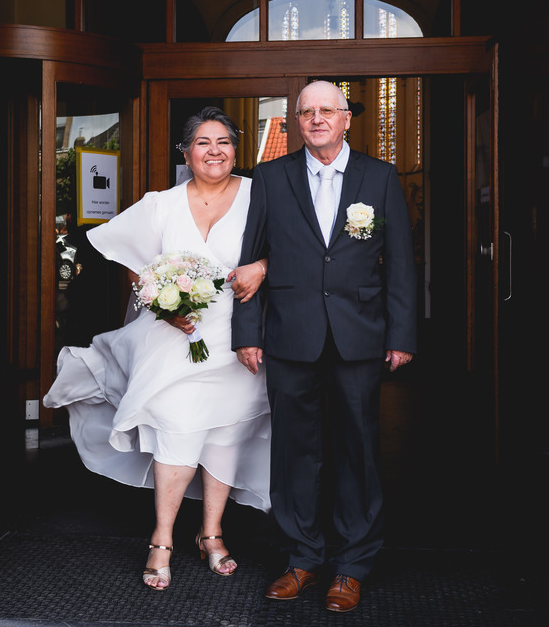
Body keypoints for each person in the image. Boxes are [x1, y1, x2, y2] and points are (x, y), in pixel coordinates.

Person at [43, 107, 270, 591]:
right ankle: (162, 537)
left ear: (236, 150)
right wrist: (161, 303)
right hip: (174, 339)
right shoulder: (160, 204)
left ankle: (212, 532)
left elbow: (291, 248)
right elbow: (133, 264)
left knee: (226, 434)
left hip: (237, 339)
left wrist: (264, 266)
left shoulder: (259, 195)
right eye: (203, 142)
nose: (214, 151)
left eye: (224, 142)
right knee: (176, 432)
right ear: (186, 153)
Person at [231, 80, 417, 613]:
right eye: (307, 112)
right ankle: (302, 558)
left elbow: (400, 261)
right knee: (295, 451)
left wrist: (401, 334)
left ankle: (353, 565)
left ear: (346, 118)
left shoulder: (379, 177)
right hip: (290, 334)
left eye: (327, 111)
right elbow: (251, 258)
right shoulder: (271, 177)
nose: (317, 119)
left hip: (359, 334)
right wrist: (248, 333)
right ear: (296, 121)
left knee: (358, 450)